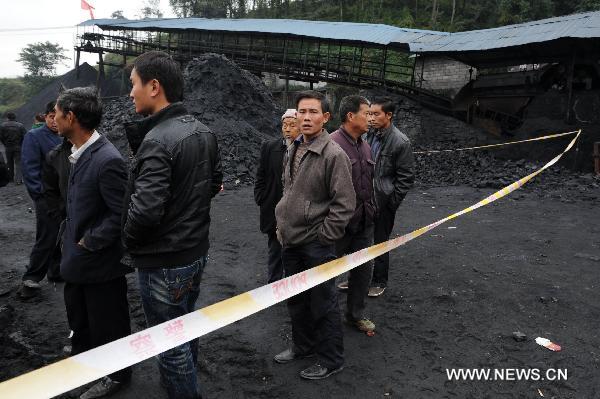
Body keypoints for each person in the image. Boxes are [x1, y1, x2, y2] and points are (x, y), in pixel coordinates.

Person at [124, 50, 222, 399]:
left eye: (133, 84)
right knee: (184, 327)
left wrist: (128, 244)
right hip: (194, 252)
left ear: (154, 86)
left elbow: (145, 212)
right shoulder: (203, 131)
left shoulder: (156, 141)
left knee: (170, 347)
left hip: (164, 261)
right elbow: (213, 184)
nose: (130, 92)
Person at [273, 90, 355, 380]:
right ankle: (303, 346)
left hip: (315, 244)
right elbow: (289, 190)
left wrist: (324, 236)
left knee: (323, 302)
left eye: (313, 112)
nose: (306, 118)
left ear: (326, 118)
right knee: (297, 299)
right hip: (291, 240)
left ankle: (331, 359)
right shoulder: (294, 147)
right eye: (301, 112)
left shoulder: (333, 155)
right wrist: (282, 221)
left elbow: (345, 203)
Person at [56, 87, 132, 399]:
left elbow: (121, 214)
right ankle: (86, 357)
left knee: (108, 323)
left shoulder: (107, 160)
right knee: (81, 317)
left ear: (71, 117)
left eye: (58, 115)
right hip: (78, 262)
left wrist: (89, 241)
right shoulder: (78, 153)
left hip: (99, 264)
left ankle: (116, 375)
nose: (55, 120)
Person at [330, 95, 376, 333]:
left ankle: (355, 315)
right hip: (339, 226)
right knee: (328, 274)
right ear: (350, 116)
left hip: (364, 223)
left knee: (362, 272)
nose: (370, 118)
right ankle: (325, 319)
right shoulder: (331, 145)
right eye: (366, 113)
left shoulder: (365, 145)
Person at [366, 97, 415, 297]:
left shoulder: (400, 142)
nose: (371, 118)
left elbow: (406, 178)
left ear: (389, 115)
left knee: (380, 242)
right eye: (369, 113)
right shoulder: (368, 135)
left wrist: (391, 204)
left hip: (383, 202)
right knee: (358, 241)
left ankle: (379, 281)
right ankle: (356, 280)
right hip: (364, 200)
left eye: (376, 114)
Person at [18, 101, 63, 298]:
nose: (54, 120)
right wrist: (40, 196)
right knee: (47, 236)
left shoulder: (65, 136)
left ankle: (56, 271)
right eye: (51, 116)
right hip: (46, 198)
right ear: (45, 116)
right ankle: (32, 278)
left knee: (62, 235)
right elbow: (29, 169)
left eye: (57, 116)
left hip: (65, 197)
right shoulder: (34, 137)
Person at [254, 108, 300, 283]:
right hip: (273, 207)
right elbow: (261, 175)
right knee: (274, 248)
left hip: (295, 211)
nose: (287, 129)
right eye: (284, 125)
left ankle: (292, 285)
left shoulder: (304, 149)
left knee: (293, 251)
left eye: (292, 125)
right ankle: (273, 285)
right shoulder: (269, 147)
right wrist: (261, 197)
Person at [0, 111, 27, 184]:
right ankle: (18, 180)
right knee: (18, 163)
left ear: (7, 118)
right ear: (15, 117)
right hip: (18, 146)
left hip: (8, 147)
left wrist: (5, 144)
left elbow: (1, 137)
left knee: (9, 163)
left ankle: (10, 178)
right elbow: (25, 136)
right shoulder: (20, 125)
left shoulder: (3, 126)